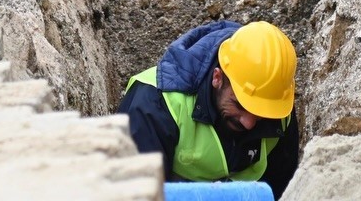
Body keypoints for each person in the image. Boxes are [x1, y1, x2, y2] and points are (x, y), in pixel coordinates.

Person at [118, 21, 301, 197]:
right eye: (239, 105)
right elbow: (135, 193)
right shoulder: (154, 103)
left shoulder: (274, 105)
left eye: (260, 113)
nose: (249, 123)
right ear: (217, 78)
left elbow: (282, 189)